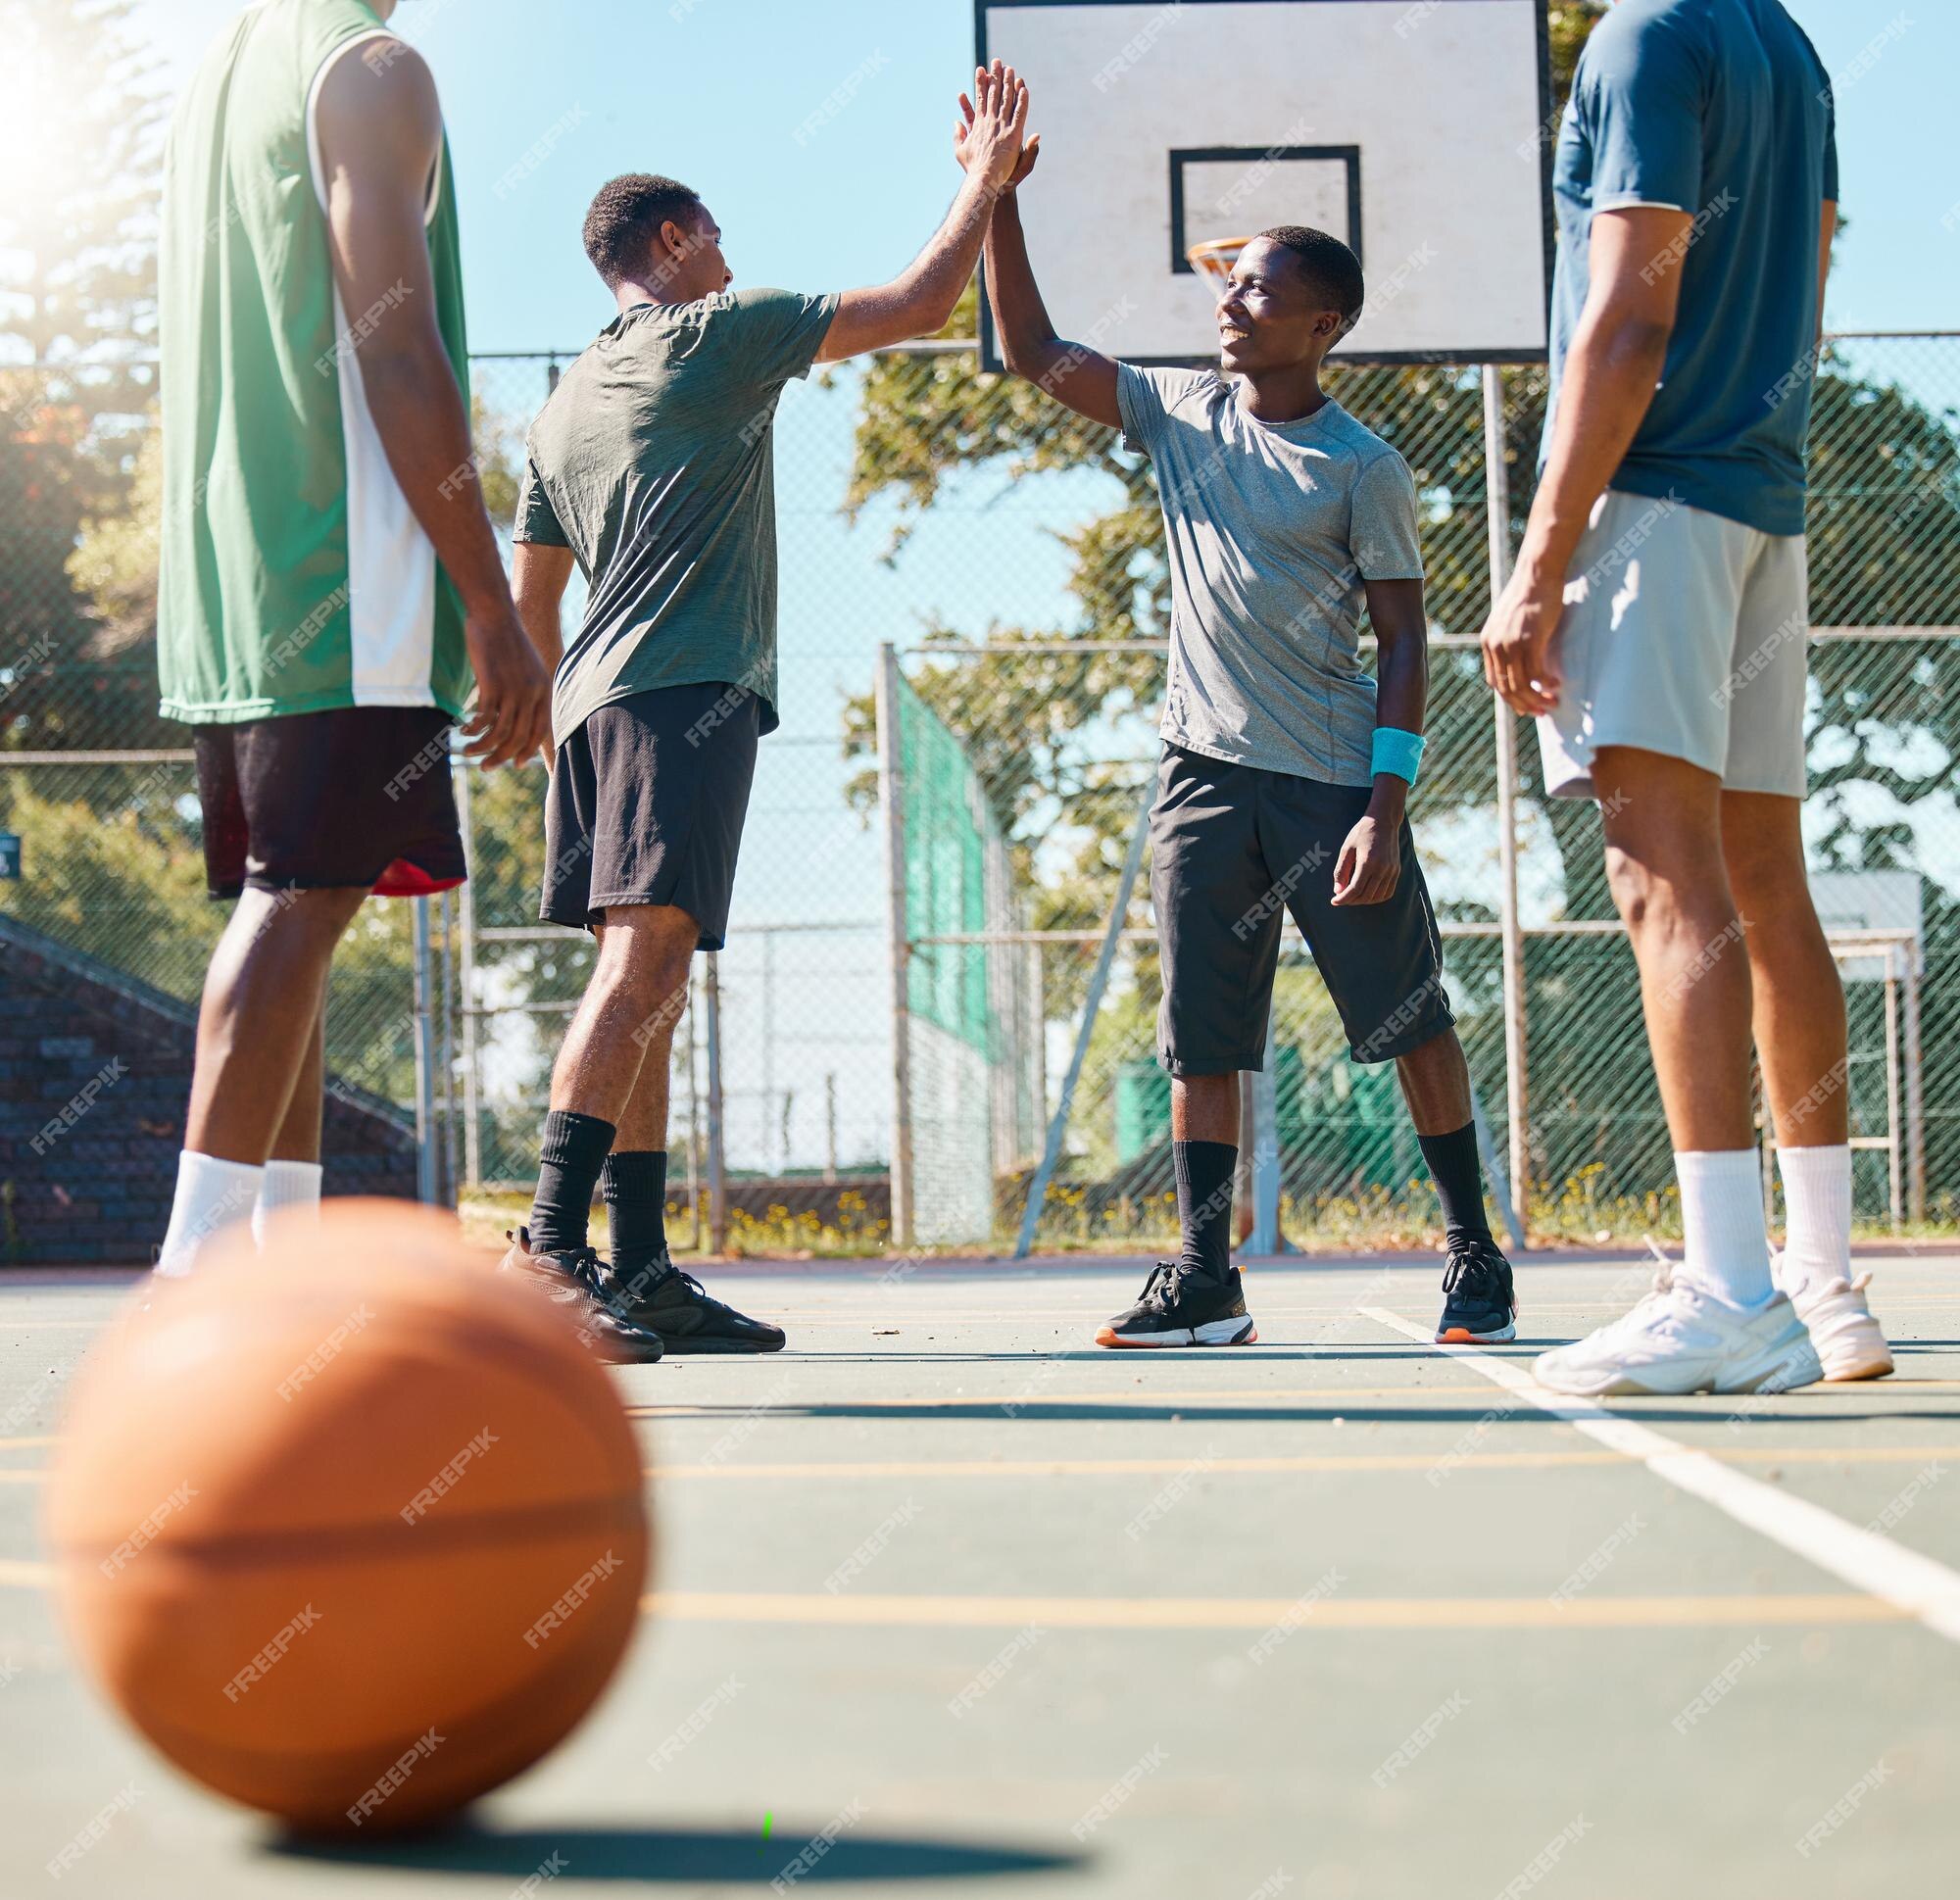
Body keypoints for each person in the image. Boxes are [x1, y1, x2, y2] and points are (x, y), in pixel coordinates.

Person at [969, 79, 1514, 1350]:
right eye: (1228, 285)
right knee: (1201, 1039)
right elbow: (1040, 351)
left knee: (1408, 1019)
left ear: (1321, 322)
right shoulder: (1178, 411)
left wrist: (1387, 804)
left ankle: (1474, 1250)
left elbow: (1403, 640)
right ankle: (1206, 1274)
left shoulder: (1361, 468)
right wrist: (995, 202)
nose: (1229, 300)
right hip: (1200, 777)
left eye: (1259, 288)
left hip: (1330, 788)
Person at [500, 68, 1036, 1355]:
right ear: (673, 243)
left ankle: (638, 1270)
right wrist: (987, 179)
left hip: (596, 705)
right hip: (680, 687)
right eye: (719, 235)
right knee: (644, 970)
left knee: (651, 976)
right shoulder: (713, 330)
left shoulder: (562, 405)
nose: (732, 256)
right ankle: (548, 1248)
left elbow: (531, 603)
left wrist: (549, 719)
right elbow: (919, 304)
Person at [1481, 0, 1889, 1392]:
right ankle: (1824, 1286)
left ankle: (1727, 1292)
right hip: (1760, 502)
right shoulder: (1790, 47)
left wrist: (1540, 559)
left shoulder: (1646, 39)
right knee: (1768, 879)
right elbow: (1813, 282)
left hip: (1652, 503)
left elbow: (1631, 310)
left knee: (1667, 888)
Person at [153, 0, 549, 1278]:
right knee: (300, 899)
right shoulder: (373, 69)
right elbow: (393, 344)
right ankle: (196, 1289)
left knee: (301, 908)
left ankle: (281, 1271)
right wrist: (490, 603)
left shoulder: (221, 73)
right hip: (345, 566)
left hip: (236, 577)